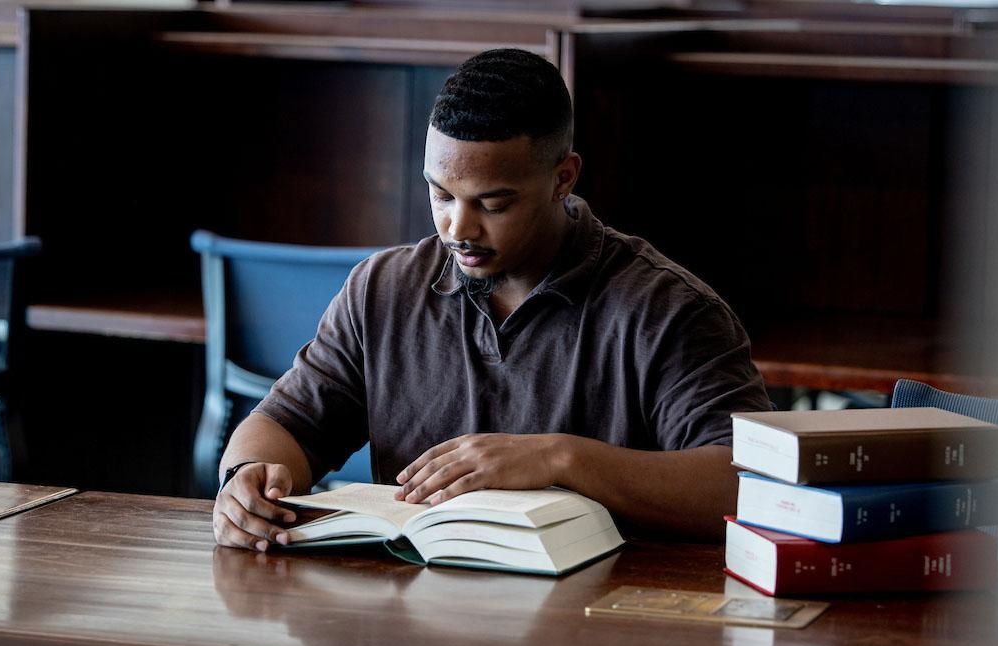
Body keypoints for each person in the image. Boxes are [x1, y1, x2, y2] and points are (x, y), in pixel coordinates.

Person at [213, 48, 771, 551]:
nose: (459, 228)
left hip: (596, 626)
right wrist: (249, 478)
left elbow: (745, 485)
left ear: (563, 178)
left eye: (493, 204)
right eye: (440, 194)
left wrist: (560, 458)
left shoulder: (667, 310)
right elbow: (286, 424)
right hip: (411, 618)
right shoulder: (382, 289)